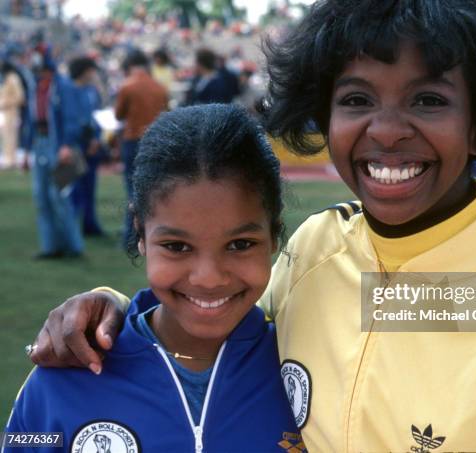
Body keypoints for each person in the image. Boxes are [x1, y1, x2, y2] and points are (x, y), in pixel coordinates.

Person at [25, 1, 476, 451]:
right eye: (356, 99)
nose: (385, 131)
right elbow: (214, 299)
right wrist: (108, 308)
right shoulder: (317, 248)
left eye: (428, 101)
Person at [5, 104, 302, 452]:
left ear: (274, 236)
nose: (208, 278)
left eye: (239, 244)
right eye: (177, 246)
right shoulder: (61, 378)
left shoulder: (303, 364)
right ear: (141, 235)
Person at [29, 47, 84, 259]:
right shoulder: (37, 87)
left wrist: (66, 145)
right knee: (41, 196)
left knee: (60, 195)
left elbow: (70, 118)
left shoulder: (63, 86)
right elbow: (31, 118)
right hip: (40, 140)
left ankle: (73, 246)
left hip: (57, 144)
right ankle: (50, 246)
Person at [114, 49, 168, 249]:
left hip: (132, 140)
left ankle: (131, 237)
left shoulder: (127, 86)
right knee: (154, 190)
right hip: (155, 140)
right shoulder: (159, 87)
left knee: (132, 190)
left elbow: (119, 115)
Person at [67, 56, 105, 236]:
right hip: (76, 145)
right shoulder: (69, 91)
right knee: (75, 187)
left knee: (90, 187)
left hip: (92, 144)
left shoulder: (92, 91)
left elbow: (96, 116)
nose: (94, 74)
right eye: (91, 70)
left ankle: (90, 224)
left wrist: (96, 138)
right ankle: (73, 226)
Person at [0, 60, 25, 169]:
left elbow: (20, 97)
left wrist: (6, 103)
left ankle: (11, 161)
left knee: (11, 137)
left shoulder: (13, 78)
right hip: (5, 112)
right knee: (6, 137)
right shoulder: (6, 79)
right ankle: (7, 159)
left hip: (12, 112)